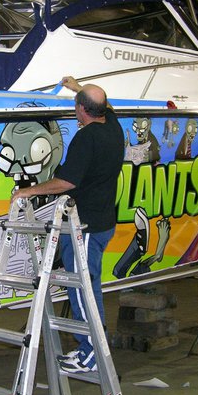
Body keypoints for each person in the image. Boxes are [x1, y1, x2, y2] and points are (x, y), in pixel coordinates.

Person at [12, 76, 124, 373]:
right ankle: (91, 348)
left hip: (84, 228)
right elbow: (108, 106)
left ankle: (91, 354)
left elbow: (66, 182)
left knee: (83, 291)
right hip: (103, 223)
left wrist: (28, 191)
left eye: (77, 104)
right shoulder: (113, 126)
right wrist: (77, 88)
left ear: (81, 109)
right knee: (89, 286)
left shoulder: (87, 138)